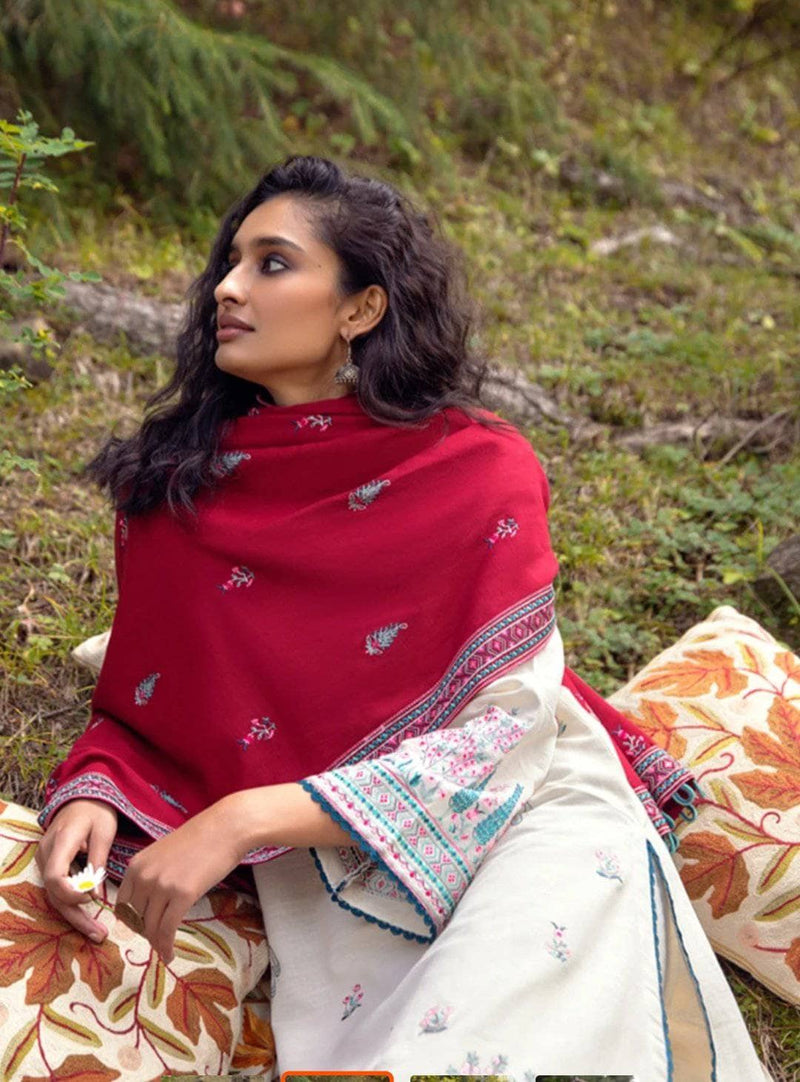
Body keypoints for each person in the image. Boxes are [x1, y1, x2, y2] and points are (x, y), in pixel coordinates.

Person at [0, 156, 770, 1080]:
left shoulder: (478, 470)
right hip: (336, 861)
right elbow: (152, 701)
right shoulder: (180, 493)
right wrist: (94, 788)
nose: (228, 288)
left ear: (361, 308)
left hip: (525, 810)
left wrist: (243, 818)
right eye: (230, 263)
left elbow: (506, 731)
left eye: (272, 263)